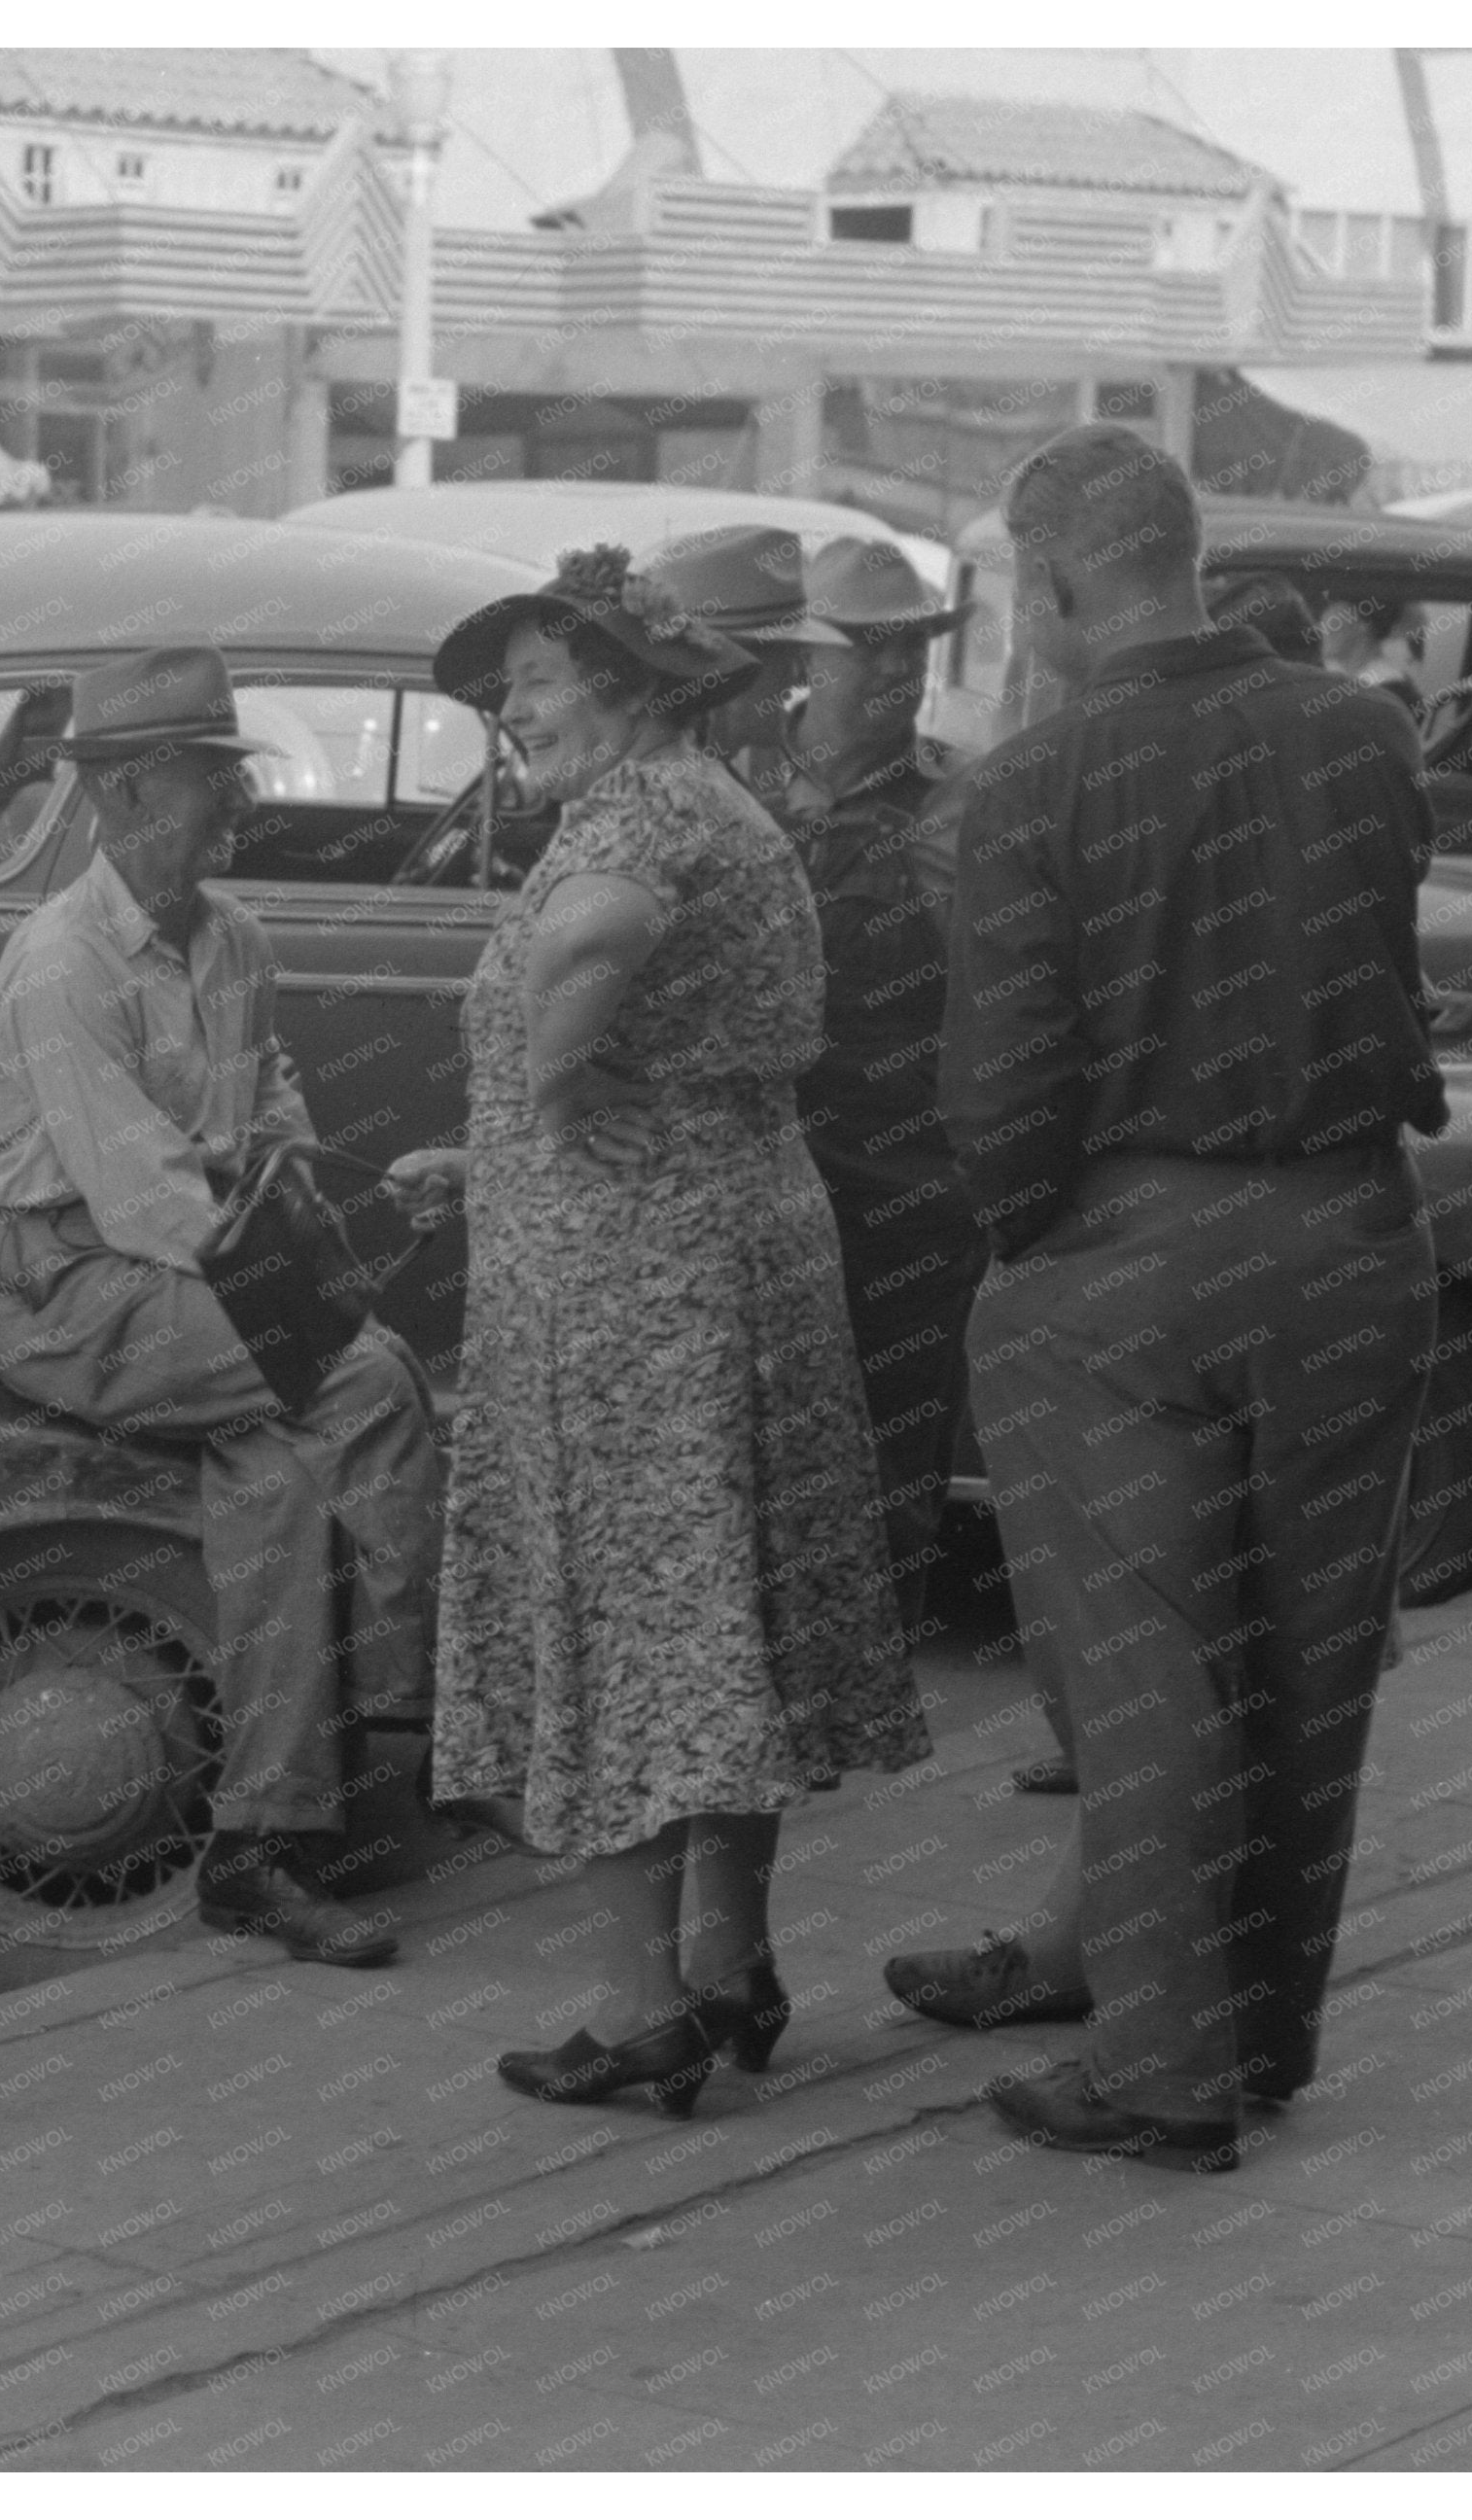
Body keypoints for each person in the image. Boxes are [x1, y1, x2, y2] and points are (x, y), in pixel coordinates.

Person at [914, 425, 1447, 2172]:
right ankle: (1262, 2034)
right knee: (1307, 1666)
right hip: (1355, 1239)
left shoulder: (1031, 784)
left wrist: (1024, 1239)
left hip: (1128, 1262)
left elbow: (999, 1092)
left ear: (1056, 581)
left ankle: (1159, 2067)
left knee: (1146, 1679)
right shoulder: (1360, 733)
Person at [384, 547, 923, 2118]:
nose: (508, 712)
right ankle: (727, 1964)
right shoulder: (714, 802)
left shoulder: (630, 821)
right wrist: (495, 1149)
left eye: (532, 683)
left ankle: (637, 2013)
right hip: (728, 1243)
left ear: (619, 688)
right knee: (713, 1622)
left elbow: (590, 946)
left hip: (628, 1289)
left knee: (622, 1624)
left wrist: (550, 1090)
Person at [0, 645, 441, 1971]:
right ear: (120, 798)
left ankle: (261, 1847)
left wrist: (337, 1214)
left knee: (272, 1478)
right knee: (367, 1378)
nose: (235, 806)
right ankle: (425, 1705)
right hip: (55, 1281)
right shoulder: (62, 965)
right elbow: (146, 1196)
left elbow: (269, 1125)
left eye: (230, 777)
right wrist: (310, 1298)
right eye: (204, 782)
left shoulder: (235, 943)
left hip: (177, 1267)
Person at [766, 538, 987, 1635]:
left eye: (913, 649)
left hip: (902, 1188)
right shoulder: (730, 786)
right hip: (755, 1181)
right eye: (872, 649)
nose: (898, 672)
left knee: (892, 1449)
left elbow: (1006, 992)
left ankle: (868, 1666)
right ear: (811, 658)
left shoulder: (959, 805)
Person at [636, 522, 811, 808]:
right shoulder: (671, 798)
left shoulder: (693, 782)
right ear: (727, 666)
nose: (802, 679)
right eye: (787, 656)